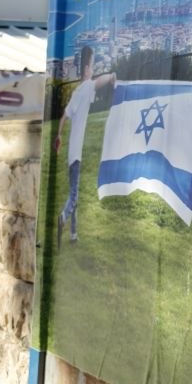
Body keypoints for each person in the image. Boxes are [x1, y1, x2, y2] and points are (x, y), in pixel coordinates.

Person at [53, 46, 116, 246]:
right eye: (93, 64)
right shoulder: (88, 86)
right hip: (76, 154)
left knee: (74, 193)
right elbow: (99, 81)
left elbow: (63, 117)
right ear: (87, 68)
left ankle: (73, 234)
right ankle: (63, 217)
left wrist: (58, 136)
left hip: (71, 153)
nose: (94, 69)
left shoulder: (76, 91)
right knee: (73, 196)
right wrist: (112, 76)